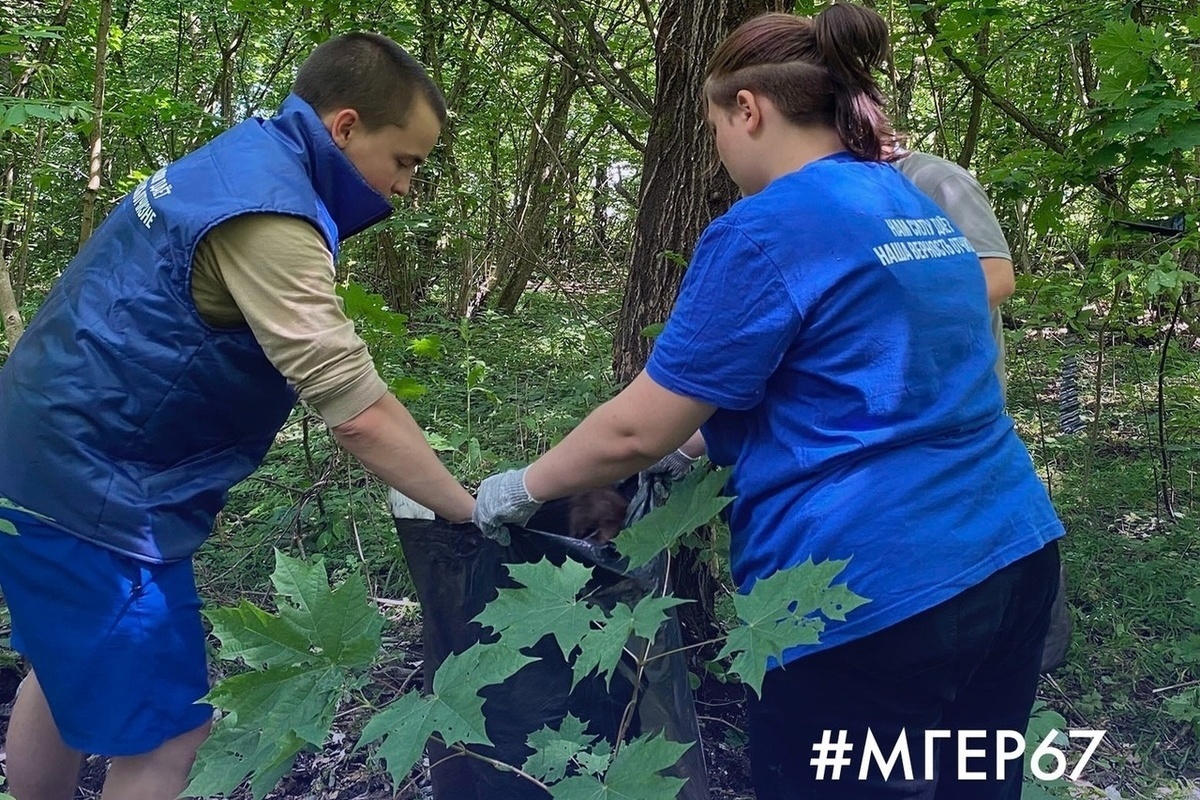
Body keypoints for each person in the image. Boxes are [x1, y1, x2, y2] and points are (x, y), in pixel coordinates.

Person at [472, 5, 1064, 799]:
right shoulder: (909, 202)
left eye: (715, 126)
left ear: (747, 109)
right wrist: (695, 452)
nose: (717, 151)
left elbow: (635, 427)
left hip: (866, 594)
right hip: (1012, 558)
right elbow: (846, 384)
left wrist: (523, 487)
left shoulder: (767, 227)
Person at [0, 33, 474, 800]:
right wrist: (466, 508)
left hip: (36, 449)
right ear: (346, 126)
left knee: (59, 676)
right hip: (98, 488)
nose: (408, 185)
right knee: (171, 736)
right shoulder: (273, 215)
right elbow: (353, 409)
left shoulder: (243, 158)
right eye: (407, 160)